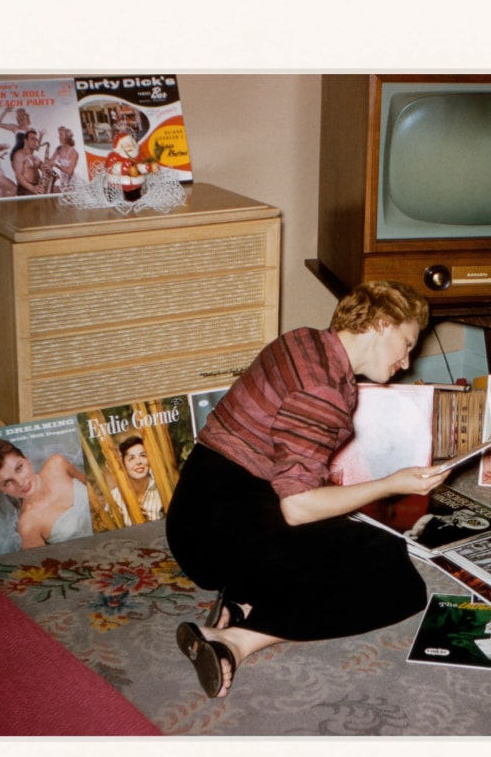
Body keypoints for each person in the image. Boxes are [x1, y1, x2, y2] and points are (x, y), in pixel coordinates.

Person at [166, 280, 450, 699]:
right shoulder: (324, 389)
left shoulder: (305, 341)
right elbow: (298, 507)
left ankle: (241, 599)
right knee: (398, 584)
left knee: (364, 544)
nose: (407, 361)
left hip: (197, 510)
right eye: (406, 344)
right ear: (381, 324)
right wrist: (391, 484)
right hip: (221, 535)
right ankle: (235, 640)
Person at [0, 439, 92, 548]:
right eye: (7, 482)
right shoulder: (28, 525)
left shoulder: (57, 463)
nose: (20, 483)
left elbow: (94, 487)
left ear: (27, 459)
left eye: (19, 468)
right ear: (1, 490)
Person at [110, 435, 164, 525]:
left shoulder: (162, 491)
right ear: (123, 464)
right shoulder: (115, 496)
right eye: (131, 458)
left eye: (143, 455)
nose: (138, 462)